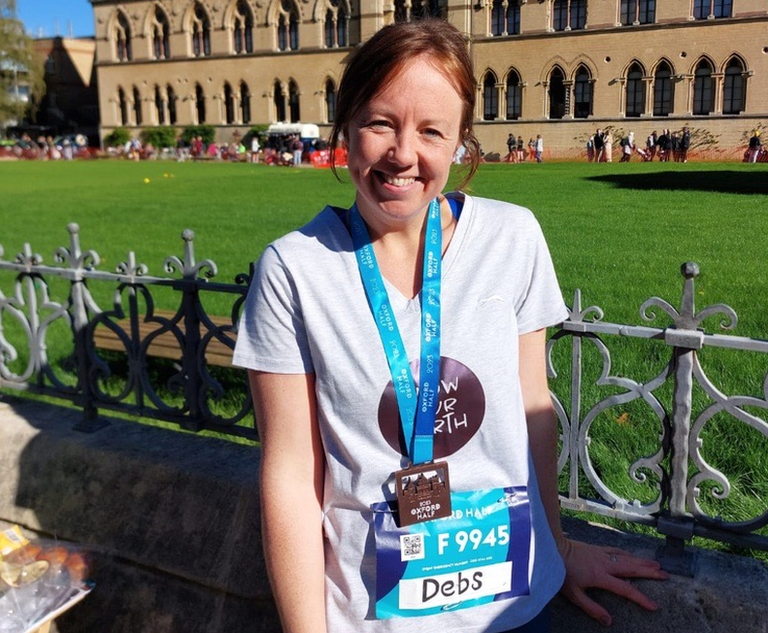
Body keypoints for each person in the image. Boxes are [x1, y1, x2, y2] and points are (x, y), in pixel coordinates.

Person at [233, 19, 667, 633]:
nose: (403, 154)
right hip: (372, 617)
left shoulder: (511, 238)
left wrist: (561, 550)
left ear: (461, 141)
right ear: (346, 126)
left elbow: (532, 408)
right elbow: (289, 476)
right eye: (380, 122)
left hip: (516, 607)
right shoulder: (293, 271)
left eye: (431, 131)